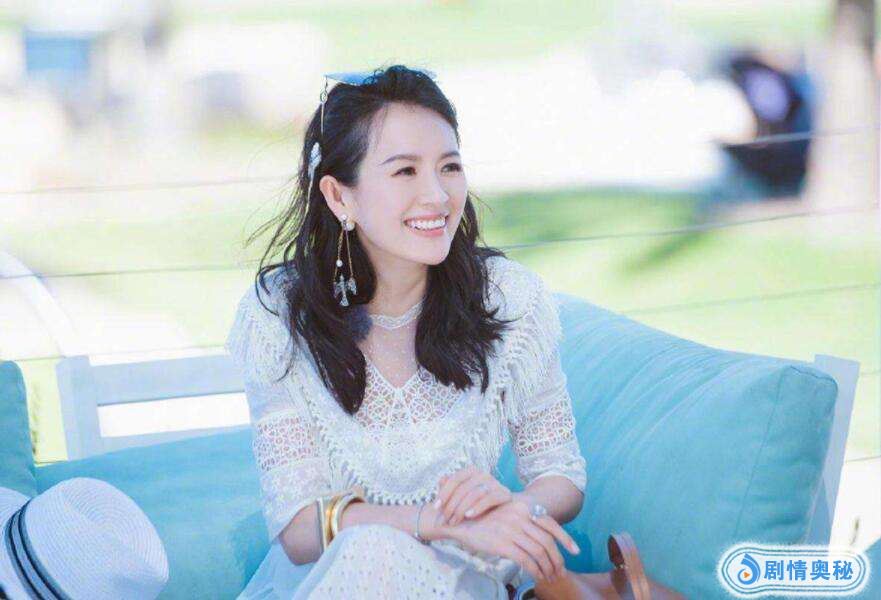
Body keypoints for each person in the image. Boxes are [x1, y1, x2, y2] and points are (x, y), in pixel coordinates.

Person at [226, 64, 587, 599]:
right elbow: (299, 529)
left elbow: (561, 475)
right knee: (373, 549)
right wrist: (433, 522)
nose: (437, 195)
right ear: (339, 197)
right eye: (405, 172)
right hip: (335, 580)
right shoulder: (278, 314)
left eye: (449, 167)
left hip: (465, 576)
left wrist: (510, 509)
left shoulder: (510, 299)